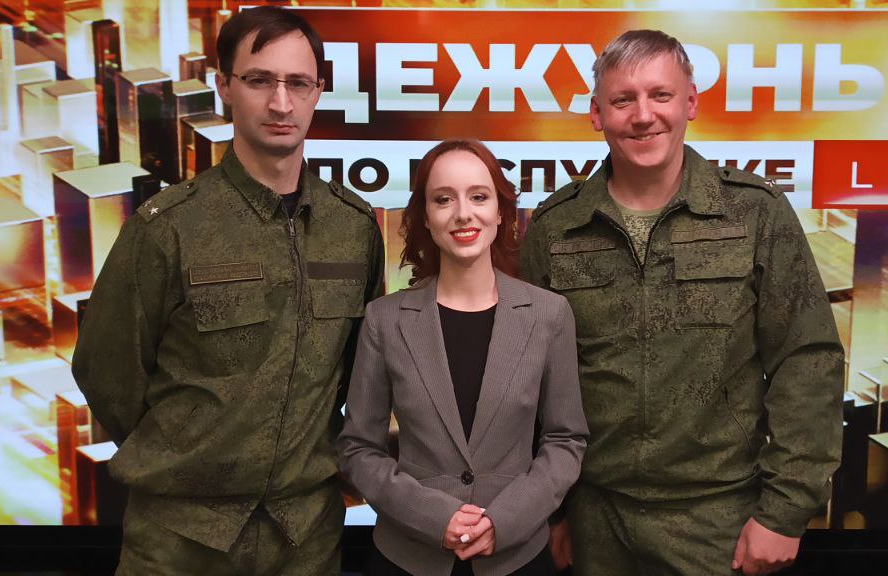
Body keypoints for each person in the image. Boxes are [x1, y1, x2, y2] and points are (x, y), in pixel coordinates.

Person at [71, 6, 383, 575]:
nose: (281, 103)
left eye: (298, 83)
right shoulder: (169, 227)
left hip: (305, 539)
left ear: (318, 92)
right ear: (224, 87)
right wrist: (186, 454)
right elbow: (107, 371)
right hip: (178, 540)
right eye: (260, 80)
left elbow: (358, 372)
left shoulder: (353, 227)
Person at [519, 30, 844, 576]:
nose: (643, 115)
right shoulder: (556, 226)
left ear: (690, 102)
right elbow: (530, 379)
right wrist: (549, 509)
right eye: (623, 100)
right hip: (594, 519)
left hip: (719, 521)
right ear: (597, 114)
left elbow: (807, 359)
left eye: (660, 95)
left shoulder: (754, 213)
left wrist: (786, 511)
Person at [338, 140, 588, 576]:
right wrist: (434, 518)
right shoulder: (384, 319)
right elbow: (358, 448)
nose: (463, 213)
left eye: (478, 196)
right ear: (425, 216)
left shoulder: (549, 314)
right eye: (443, 199)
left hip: (516, 558)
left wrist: (504, 520)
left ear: (500, 211)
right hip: (406, 559)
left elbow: (565, 441)